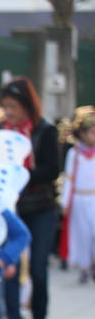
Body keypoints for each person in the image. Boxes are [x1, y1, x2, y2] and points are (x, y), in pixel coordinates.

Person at [0, 77, 61, 319]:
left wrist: (21, 175)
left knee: (38, 269)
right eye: (6, 107)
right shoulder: (2, 132)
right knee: (9, 266)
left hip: (42, 208)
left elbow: (52, 170)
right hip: (13, 208)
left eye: (13, 106)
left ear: (26, 105)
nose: (9, 112)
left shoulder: (45, 130)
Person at [60, 107, 95, 283]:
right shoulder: (74, 154)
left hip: (94, 198)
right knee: (82, 234)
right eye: (90, 132)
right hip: (79, 199)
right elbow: (69, 178)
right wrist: (65, 201)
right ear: (81, 134)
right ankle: (84, 267)